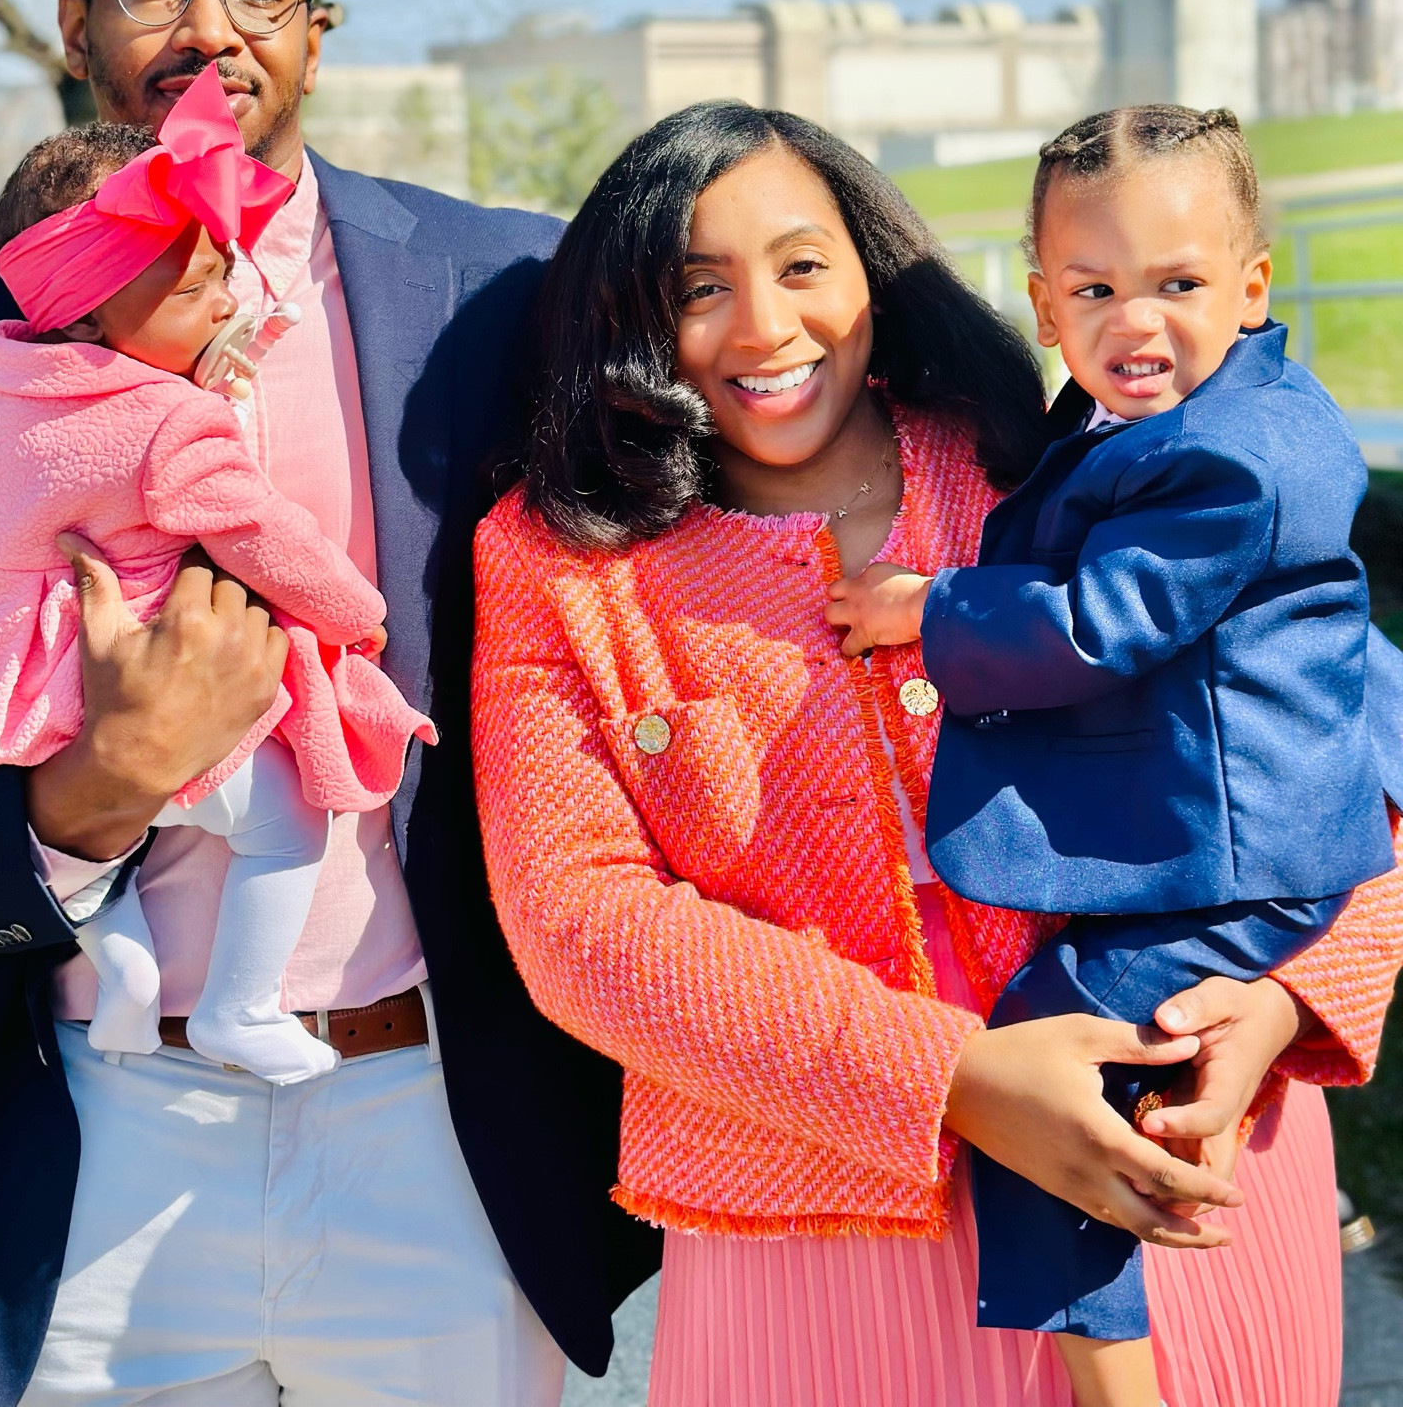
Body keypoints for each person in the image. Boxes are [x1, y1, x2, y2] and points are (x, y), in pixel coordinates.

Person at [0, 0, 658, 1407]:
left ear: (312, 31)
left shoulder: (498, 290)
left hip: (431, 1118)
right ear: (74, 23)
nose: (209, 26)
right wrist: (84, 799)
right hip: (96, 1133)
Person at [470, 100, 1403, 1407]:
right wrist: (949, 1077)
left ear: (871, 270)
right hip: (814, 1240)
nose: (765, 326)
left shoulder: (1051, 454)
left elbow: (1349, 749)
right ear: (627, 316)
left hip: (1174, 1158)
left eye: (803, 266)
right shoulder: (560, 564)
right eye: (698, 288)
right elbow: (579, 922)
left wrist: (1291, 1004)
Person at [825, 103, 1403, 1406]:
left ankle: (1112, 1375)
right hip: (1228, 832)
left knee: (1051, 1047)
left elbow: (1109, 620)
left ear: (1253, 285)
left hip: (1242, 858)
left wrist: (930, 612)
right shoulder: (1162, 412)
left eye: (1180, 285)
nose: (1136, 322)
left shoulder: (1236, 460)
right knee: (1117, 1061)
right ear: (1041, 302)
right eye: (1096, 288)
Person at [0, 66, 435, 1084]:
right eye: (198, 286)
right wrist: (358, 613)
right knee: (286, 819)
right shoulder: (170, 424)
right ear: (93, 316)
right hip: (138, 693)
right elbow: (265, 537)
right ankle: (238, 1002)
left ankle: (118, 956)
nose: (229, 292)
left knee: (93, 841)